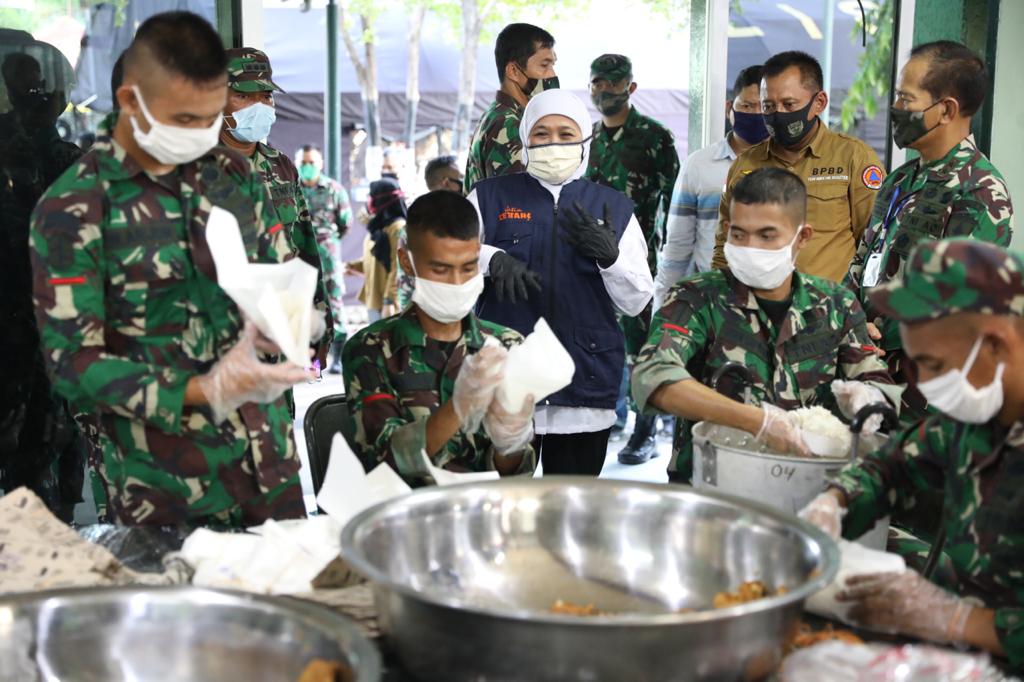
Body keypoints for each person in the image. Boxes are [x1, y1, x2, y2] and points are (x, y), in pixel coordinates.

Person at [29, 11, 312, 527]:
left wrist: (292, 322)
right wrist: (200, 391)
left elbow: (278, 271)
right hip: (164, 483)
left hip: (267, 466)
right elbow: (73, 365)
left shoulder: (232, 176)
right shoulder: (75, 209)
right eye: (186, 119)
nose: (205, 136)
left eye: (209, 117)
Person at [800, 239, 1024, 672]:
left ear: (996, 343)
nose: (922, 383)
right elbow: (894, 466)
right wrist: (835, 501)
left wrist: (957, 619)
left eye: (934, 365)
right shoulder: (974, 416)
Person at [633, 168, 902, 483]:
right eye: (738, 234)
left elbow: (878, 383)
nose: (749, 247)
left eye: (767, 235)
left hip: (809, 484)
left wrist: (869, 397)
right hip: (712, 482)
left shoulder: (836, 305)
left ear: (802, 237)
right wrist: (758, 422)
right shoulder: (696, 298)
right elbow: (653, 376)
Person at [469, 89, 654, 476]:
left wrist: (611, 258)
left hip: (584, 380)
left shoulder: (613, 206)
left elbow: (637, 300)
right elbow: (446, 258)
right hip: (508, 382)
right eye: (541, 133)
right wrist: (490, 258)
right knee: (504, 503)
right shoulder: (489, 197)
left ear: (585, 140)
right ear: (524, 139)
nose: (553, 143)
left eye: (566, 134)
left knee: (570, 510)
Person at [845, 40, 1013, 417]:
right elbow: (864, 258)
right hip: (869, 373)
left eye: (907, 99)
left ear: (946, 109)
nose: (896, 109)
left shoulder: (980, 191)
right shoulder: (901, 180)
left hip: (925, 394)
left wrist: (871, 333)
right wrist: (846, 318)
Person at [343, 190, 536, 485]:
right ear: (407, 262)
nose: (457, 283)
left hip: (483, 513)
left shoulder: (506, 346)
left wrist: (508, 441)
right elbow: (385, 463)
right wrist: (458, 408)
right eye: (440, 269)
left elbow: (515, 477)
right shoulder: (371, 350)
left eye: (468, 268)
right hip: (406, 518)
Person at [0, 39, 87, 520]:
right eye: (24, 85)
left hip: (53, 331)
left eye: (41, 85)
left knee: (52, 445)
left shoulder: (65, 157)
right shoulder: (47, 156)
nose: (36, 95)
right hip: (20, 331)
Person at [711, 51, 884, 283]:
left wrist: (861, 309)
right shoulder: (745, 165)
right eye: (769, 106)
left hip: (829, 310)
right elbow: (725, 246)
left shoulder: (853, 158)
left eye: (789, 104)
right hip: (758, 308)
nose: (778, 114)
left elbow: (875, 244)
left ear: (819, 103)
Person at [585, 53, 680, 465]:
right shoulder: (588, 139)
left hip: (638, 262)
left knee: (640, 349)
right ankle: (613, 417)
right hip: (591, 261)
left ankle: (647, 428)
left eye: (613, 83)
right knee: (601, 342)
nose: (605, 91)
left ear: (631, 87)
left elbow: (675, 206)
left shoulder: (655, 138)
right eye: (597, 83)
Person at [219, 47, 330, 363]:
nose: (260, 106)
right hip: (220, 338)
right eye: (245, 96)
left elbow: (305, 245)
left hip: (278, 331)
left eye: (266, 96)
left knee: (277, 412)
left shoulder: (280, 166)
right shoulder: (192, 167)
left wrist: (320, 317)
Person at [659, 64, 769, 300]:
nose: (756, 114)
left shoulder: (788, 165)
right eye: (747, 106)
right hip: (711, 297)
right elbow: (678, 245)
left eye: (764, 107)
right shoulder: (699, 164)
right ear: (730, 108)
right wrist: (663, 302)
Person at [464, 23, 557, 193]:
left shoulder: (497, 114)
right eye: (544, 65)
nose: (552, 75)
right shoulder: (510, 125)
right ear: (514, 71)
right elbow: (515, 209)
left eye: (553, 65)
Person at [297, 144, 351, 374]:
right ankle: (313, 360)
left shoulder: (334, 189)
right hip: (299, 257)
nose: (308, 167)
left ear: (320, 164)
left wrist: (326, 241)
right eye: (304, 163)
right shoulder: (290, 188)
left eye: (312, 162)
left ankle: (337, 356)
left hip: (327, 257)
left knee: (333, 306)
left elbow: (345, 223)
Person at [345, 177, 406, 322]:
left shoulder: (397, 228)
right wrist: (352, 267)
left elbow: (398, 267)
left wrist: (389, 301)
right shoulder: (380, 228)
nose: (368, 202)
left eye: (371, 197)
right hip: (374, 300)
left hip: (389, 305)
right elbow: (375, 260)